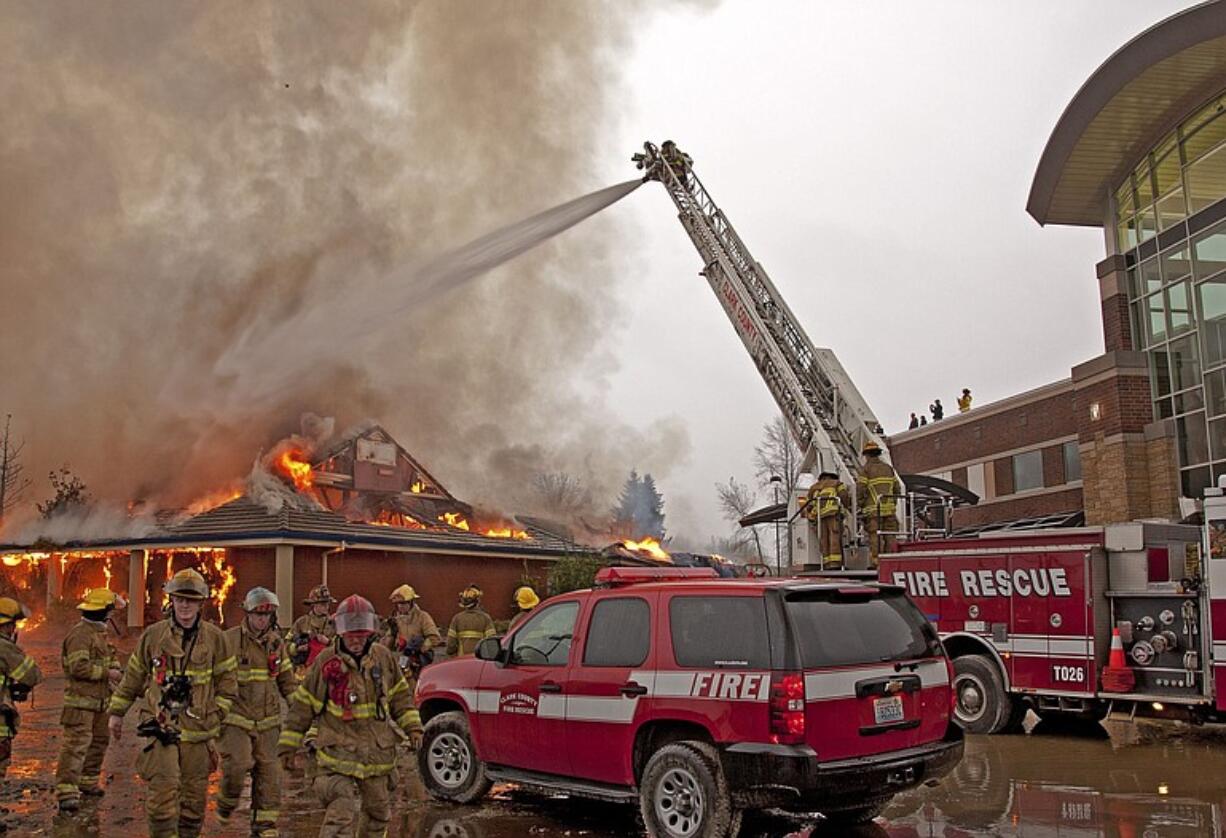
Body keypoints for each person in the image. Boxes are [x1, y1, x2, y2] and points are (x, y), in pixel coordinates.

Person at [278, 594, 422, 837]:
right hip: (337, 757)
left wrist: (414, 728)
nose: (356, 640)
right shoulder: (327, 661)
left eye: (361, 634)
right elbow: (304, 706)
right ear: (341, 633)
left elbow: (401, 698)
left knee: (378, 816)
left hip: (377, 756)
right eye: (351, 634)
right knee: (340, 814)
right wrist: (287, 746)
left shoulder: (383, 658)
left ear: (370, 633)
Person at [108, 568, 238, 838]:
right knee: (162, 799)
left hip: (199, 732)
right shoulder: (154, 636)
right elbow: (134, 675)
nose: (185, 605)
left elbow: (228, 682)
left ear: (201, 603)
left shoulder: (215, 638)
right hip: (162, 728)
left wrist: (219, 713)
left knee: (193, 803)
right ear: (172, 601)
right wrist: (117, 712)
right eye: (180, 599)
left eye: (191, 600)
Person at [216, 587, 296, 837]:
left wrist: (299, 710)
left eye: (267, 616)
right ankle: (227, 801)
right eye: (258, 615)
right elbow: (212, 678)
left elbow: (287, 681)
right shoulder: (228, 641)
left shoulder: (276, 643)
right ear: (248, 614)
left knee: (270, 775)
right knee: (237, 765)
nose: (262, 620)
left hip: (269, 722)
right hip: (236, 720)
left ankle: (264, 826)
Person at [55, 588, 125, 812]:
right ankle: (67, 792)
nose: (113, 615)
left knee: (99, 742)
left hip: (100, 703)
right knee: (75, 747)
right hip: (80, 705)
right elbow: (78, 667)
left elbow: (111, 659)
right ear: (104, 611)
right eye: (111, 611)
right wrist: (108, 673)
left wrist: (115, 669)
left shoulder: (99, 634)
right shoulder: (80, 634)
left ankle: (88, 782)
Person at [0, 597, 42, 833]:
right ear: (5, 626)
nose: (14, 630)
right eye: (12, 625)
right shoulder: (4, 647)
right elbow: (33, 675)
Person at [381, 584, 440, 689]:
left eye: (403, 603)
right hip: (402, 662)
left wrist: (420, 649)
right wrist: (392, 634)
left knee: (417, 690)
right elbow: (386, 647)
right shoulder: (396, 620)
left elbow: (434, 638)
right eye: (398, 604)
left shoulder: (422, 617)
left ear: (411, 602)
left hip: (418, 664)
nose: (400, 606)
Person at [856, 441, 902, 568]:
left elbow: (861, 489)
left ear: (867, 455)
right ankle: (891, 561)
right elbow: (897, 489)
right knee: (890, 536)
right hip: (889, 510)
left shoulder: (866, 470)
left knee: (875, 536)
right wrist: (892, 503)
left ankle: (876, 563)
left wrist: (860, 504)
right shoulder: (888, 469)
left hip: (873, 511)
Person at [805, 471, 850, 570]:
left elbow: (809, 504)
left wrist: (809, 515)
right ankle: (835, 564)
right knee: (834, 537)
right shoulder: (837, 483)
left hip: (820, 517)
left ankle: (826, 564)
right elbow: (844, 497)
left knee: (823, 539)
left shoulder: (814, 487)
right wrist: (848, 507)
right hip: (833, 514)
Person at [291, 585, 337, 669]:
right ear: (314, 605)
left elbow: (342, 647)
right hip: (304, 669)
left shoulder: (334, 624)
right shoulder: (301, 623)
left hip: (328, 668)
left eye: (328, 603)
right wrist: (297, 648)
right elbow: (286, 645)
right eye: (323, 604)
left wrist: (328, 642)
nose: (327, 606)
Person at [445, 586, 495, 657]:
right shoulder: (485, 618)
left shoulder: (457, 619)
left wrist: (451, 653)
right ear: (478, 602)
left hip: (462, 660)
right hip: (480, 660)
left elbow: (450, 644)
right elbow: (491, 643)